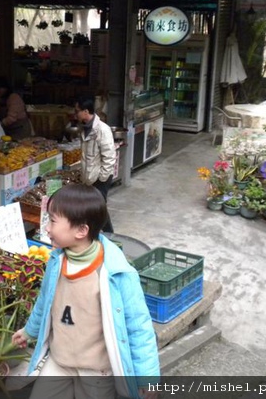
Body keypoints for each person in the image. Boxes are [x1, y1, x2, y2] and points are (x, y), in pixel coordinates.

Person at [12, 184, 159, 399]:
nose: (47, 229)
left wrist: (147, 377)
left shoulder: (117, 274)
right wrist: (29, 332)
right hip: (59, 362)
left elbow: (139, 328)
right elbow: (44, 303)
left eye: (52, 221)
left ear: (81, 231)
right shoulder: (56, 262)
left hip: (96, 372)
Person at [74, 95, 116, 233]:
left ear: (86, 111)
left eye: (77, 111)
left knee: (99, 208)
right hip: (89, 176)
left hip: (100, 178)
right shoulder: (83, 128)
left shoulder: (102, 129)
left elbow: (109, 156)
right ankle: (94, 233)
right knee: (92, 207)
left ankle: (110, 235)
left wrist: (102, 178)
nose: (75, 114)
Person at [0, 76, 33, 140]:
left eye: (0, 88)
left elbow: (11, 118)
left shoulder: (14, 98)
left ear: (6, 88)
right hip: (8, 130)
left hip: (20, 130)